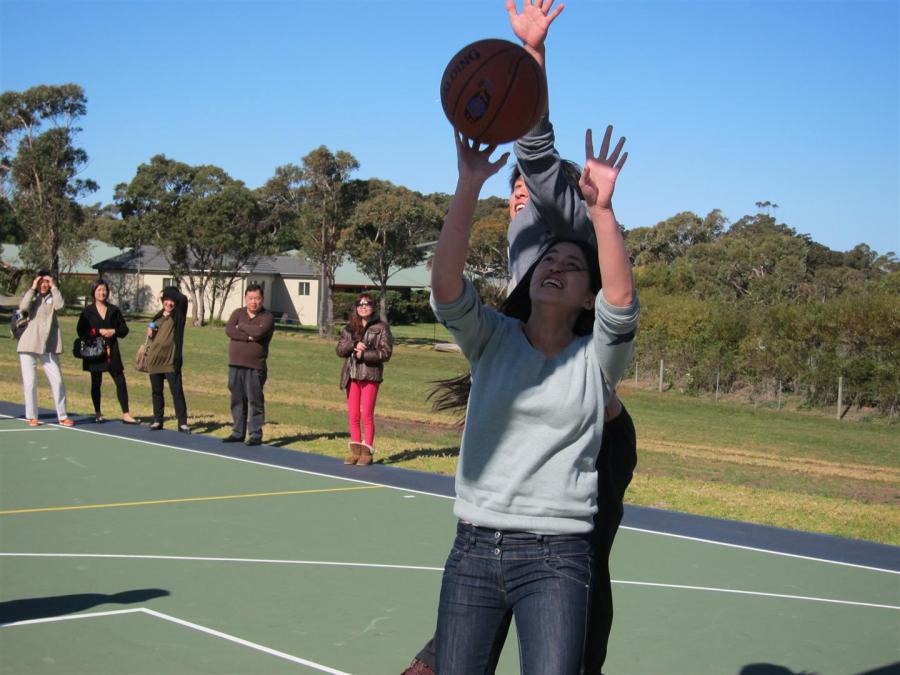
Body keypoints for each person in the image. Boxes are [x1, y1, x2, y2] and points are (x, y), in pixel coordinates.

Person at [428, 110, 637, 674]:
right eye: (549, 259)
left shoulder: (595, 361)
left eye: (571, 265)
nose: (555, 264)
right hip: (474, 547)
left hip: (557, 556)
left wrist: (602, 211)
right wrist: (468, 185)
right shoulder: (493, 338)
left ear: (589, 296)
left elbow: (622, 305)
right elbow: (446, 287)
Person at [335, 293, 394, 466]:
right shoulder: (349, 328)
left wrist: (365, 354)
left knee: (366, 415)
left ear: (372, 307)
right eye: (360, 304)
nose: (363, 307)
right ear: (356, 307)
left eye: (367, 304)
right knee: (353, 415)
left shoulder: (382, 327)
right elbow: (340, 350)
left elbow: (386, 353)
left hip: (370, 376)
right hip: (352, 375)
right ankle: (355, 452)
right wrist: (353, 345)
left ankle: (367, 452)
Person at [76, 279, 139, 425]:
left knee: (120, 380)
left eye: (104, 290)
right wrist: (96, 332)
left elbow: (124, 330)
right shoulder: (87, 312)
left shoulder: (114, 310)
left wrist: (113, 331)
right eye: (99, 290)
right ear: (93, 292)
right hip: (94, 351)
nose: (102, 293)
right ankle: (98, 413)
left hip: (112, 351)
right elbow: (80, 330)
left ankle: (126, 414)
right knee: (96, 381)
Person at [16, 273, 73, 427]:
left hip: (49, 346)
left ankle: (62, 416)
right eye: (41, 281)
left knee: (57, 380)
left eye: (46, 282)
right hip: (29, 344)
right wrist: (33, 288)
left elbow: (60, 306)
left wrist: (54, 287)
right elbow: (23, 307)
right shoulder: (32, 296)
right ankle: (32, 416)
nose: (44, 284)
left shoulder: (54, 296)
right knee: (30, 382)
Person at [222, 284, 275, 446]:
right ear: (245, 298)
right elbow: (229, 330)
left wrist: (242, 327)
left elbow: (259, 332)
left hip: (255, 367)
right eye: (250, 298)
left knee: (254, 401)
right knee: (237, 400)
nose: (253, 302)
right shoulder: (237, 313)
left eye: (257, 298)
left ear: (262, 299)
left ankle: (255, 434)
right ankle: (238, 433)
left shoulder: (267, 317)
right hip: (235, 364)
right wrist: (248, 336)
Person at [145, 286, 190, 432]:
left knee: (177, 391)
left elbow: (183, 299)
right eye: (166, 300)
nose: (169, 303)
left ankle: (182, 422)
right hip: (154, 359)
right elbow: (152, 336)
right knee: (156, 392)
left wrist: (165, 292)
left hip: (170, 360)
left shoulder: (178, 315)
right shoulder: (157, 316)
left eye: (171, 301)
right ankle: (158, 420)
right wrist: (150, 332)